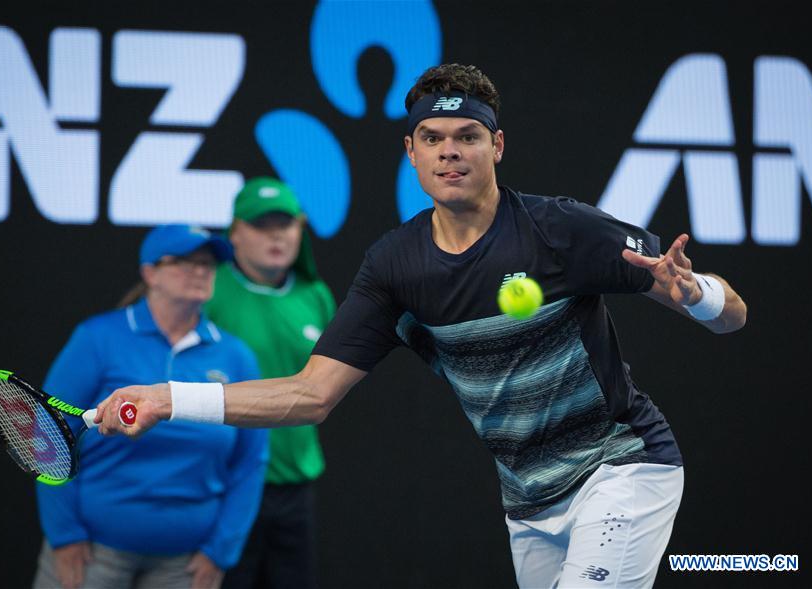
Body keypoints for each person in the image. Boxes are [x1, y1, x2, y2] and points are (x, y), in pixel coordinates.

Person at [94, 64, 747, 588]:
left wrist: (695, 295)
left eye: (466, 136)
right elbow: (308, 394)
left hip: (623, 468)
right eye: (432, 139)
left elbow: (732, 316)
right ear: (410, 152)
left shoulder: (560, 230)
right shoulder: (394, 266)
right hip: (528, 501)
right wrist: (167, 397)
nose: (449, 152)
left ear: (495, 145)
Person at [33, 224, 268, 589]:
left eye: (207, 263)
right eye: (185, 262)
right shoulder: (98, 338)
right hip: (93, 553)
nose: (201, 271)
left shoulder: (236, 357)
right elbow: (47, 435)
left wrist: (221, 550)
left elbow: (251, 462)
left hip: (186, 565)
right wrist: (64, 535)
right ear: (149, 273)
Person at [205, 177, 335, 589]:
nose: (276, 235)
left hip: (294, 489)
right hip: (222, 486)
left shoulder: (315, 296)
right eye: (262, 225)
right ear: (236, 233)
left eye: (286, 224)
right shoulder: (206, 290)